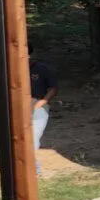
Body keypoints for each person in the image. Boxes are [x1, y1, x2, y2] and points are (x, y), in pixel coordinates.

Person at [28, 43, 58, 175]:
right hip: (19, 109)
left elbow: (53, 89)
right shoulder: (12, 70)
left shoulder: (43, 69)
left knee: (32, 139)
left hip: (38, 109)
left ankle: (34, 170)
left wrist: (41, 103)